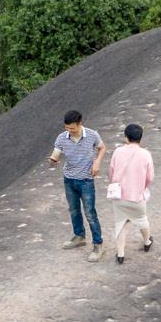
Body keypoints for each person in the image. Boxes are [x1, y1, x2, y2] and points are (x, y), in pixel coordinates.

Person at [48, 110, 105, 260]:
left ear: (80, 124)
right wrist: (53, 161)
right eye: (67, 128)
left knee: (90, 213)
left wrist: (97, 162)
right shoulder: (62, 138)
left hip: (86, 180)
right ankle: (79, 236)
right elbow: (55, 154)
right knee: (73, 210)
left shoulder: (92, 135)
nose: (69, 131)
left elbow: (102, 147)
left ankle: (98, 244)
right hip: (69, 179)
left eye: (72, 128)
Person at [106, 123, 155, 264]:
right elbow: (150, 177)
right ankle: (147, 241)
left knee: (120, 224)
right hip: (137, 197)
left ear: (126, 137)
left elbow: (111, 172)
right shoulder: (145, 154)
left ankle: (120, 254)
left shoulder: (117, 152)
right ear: (140, 138)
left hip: (119, 196)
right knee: (141, 219)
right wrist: (141, 187)